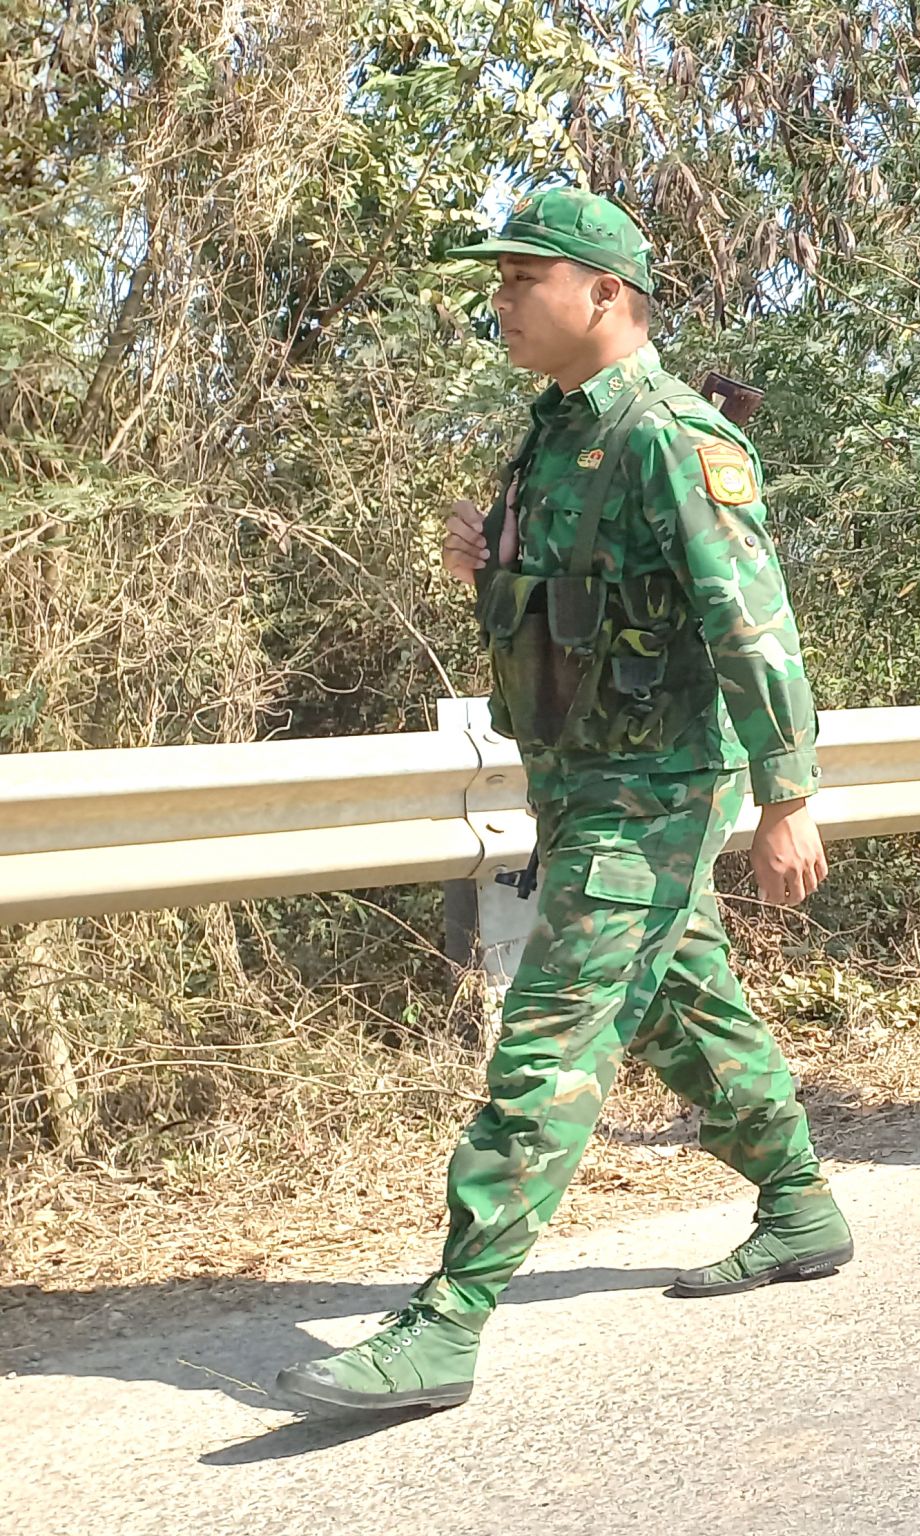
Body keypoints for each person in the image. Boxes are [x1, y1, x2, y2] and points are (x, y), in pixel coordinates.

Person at [276, 189, 847, 1414]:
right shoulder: (553, 434)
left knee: (550, 1037)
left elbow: (752, 625)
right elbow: (569, 614)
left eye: (520, 280)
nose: (501, 304)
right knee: (679, 1006)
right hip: (580, 782)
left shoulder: (671, 435)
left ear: (605, 292)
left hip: (654, 793)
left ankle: (449, 1316)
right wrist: (492, 567)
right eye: (497, 283)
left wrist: (786, 794)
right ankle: (799, 1200)